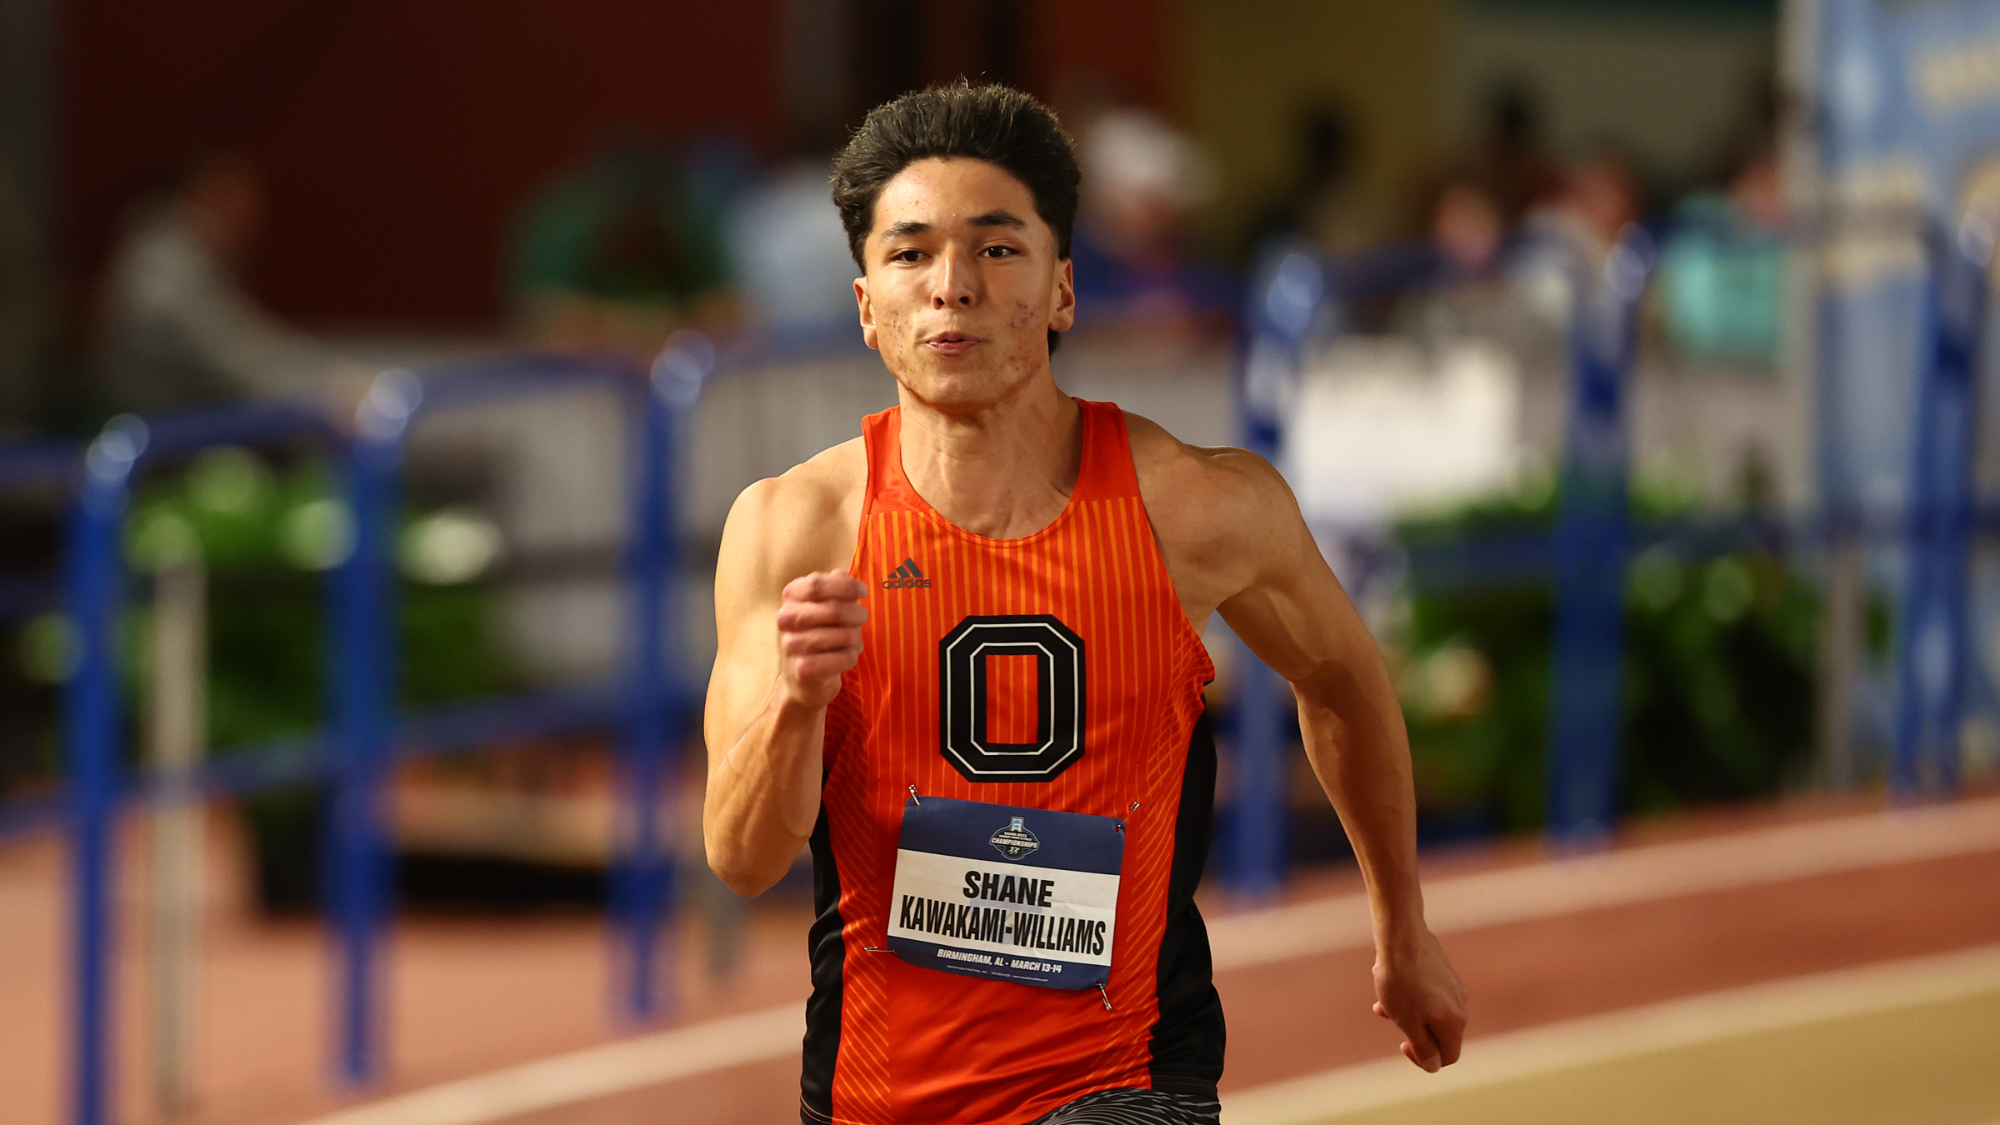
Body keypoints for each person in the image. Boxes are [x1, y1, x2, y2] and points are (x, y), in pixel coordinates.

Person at [703, 82, 1467, 1125]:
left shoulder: (1198, 507)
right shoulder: (794, 530)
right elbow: (741, 858)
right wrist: (797, 701)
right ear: (865, 308)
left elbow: (1340, 678)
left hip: (1122, 1075)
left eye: (997, 248)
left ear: (1063, 289)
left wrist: (1402, 927)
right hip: (878, 1091)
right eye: (910, 253)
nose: (952, 287)